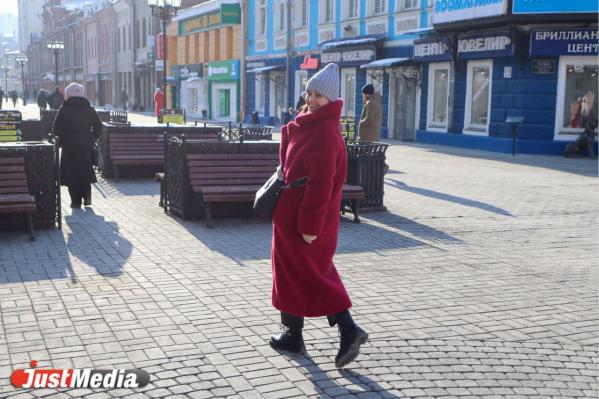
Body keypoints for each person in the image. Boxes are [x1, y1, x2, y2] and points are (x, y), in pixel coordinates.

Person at [269, 62, 368, 368]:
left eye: (318, 96)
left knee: (313, 276)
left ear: (332, 99)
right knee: (294, 274)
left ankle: (348, 329)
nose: (311, 100)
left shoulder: (325, 132)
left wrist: (309, 226)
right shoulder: (309, 124)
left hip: (306, 221)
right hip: (291, 216)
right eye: (309, 93)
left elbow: (322, 185)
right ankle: (293, 333)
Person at [52, 82, 103, 209]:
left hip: (69, 146)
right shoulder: (89, 109)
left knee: (71, 173)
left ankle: (75, 202)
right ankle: (87, 198)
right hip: (86, 146)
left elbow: (56, 129)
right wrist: (92, 138)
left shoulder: (64, 109)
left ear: (68, 95)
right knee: (85, 171)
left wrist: (63, 140)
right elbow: (99, 127)